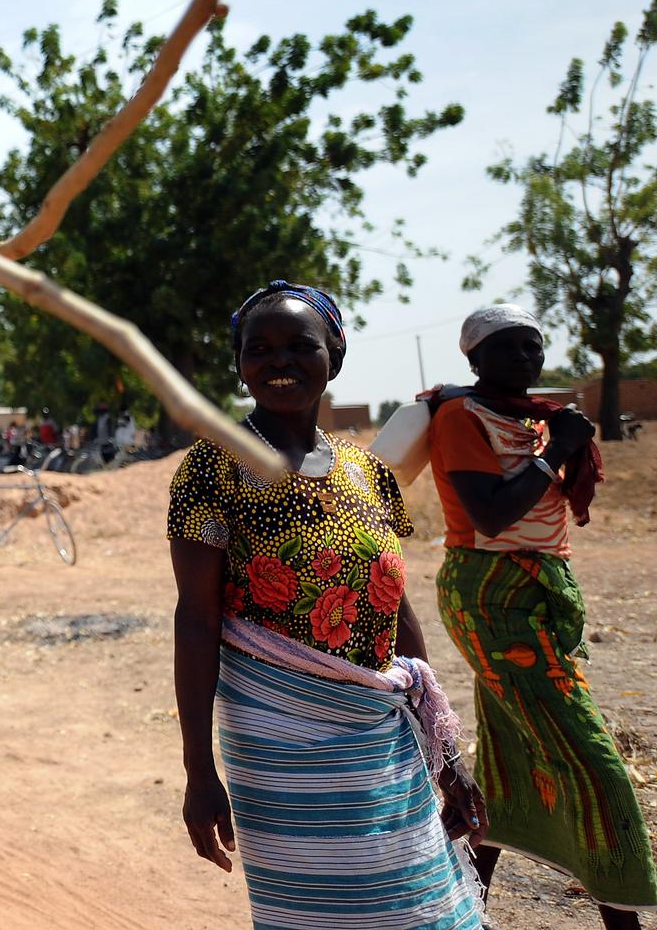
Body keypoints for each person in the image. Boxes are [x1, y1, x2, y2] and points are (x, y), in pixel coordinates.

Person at [168, 280, 484, 928]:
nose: (278, 360)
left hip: (383, 739)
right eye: (260, 348)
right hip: (281, 748)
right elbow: (196, 621)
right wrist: (199, 772)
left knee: (413, 904)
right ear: (240, 364)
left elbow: (395, 610)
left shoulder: (368, 472)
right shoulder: (211, 467)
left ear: (334, 357)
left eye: (298, 345)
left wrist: (445, 755)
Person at [428, 304, 655, 926]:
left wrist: (555, 443)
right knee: (597, 765)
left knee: (511, 756)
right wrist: (558, 451)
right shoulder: (460, 416)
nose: (526, 360)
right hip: (491, 593)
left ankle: (461, 910)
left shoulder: (533, 421)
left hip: (538, 588)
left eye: (534, 347)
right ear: (474, 358)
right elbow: (491, 514)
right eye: (509, 348)